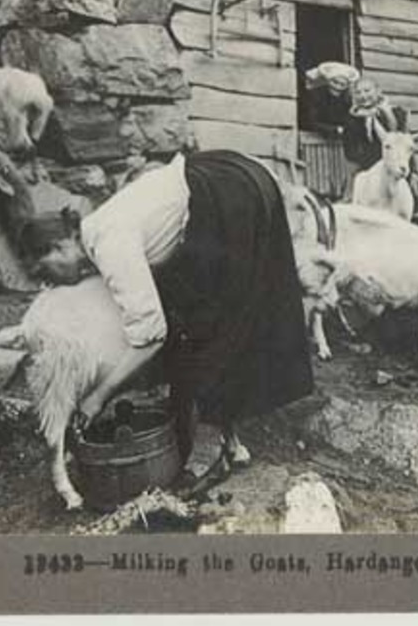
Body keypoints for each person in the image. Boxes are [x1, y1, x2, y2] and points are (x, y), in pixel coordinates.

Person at [33, 149, 316, 498]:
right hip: (225, 169)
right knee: (202, 318)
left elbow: (151, 335)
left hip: (228, 195)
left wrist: (98, 396)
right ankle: (226, 438)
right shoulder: (99, 224)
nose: (47, 282)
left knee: (215, 328)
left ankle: (209, 451)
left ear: (59, 245)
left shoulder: (107, 242)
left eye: (43, 270)